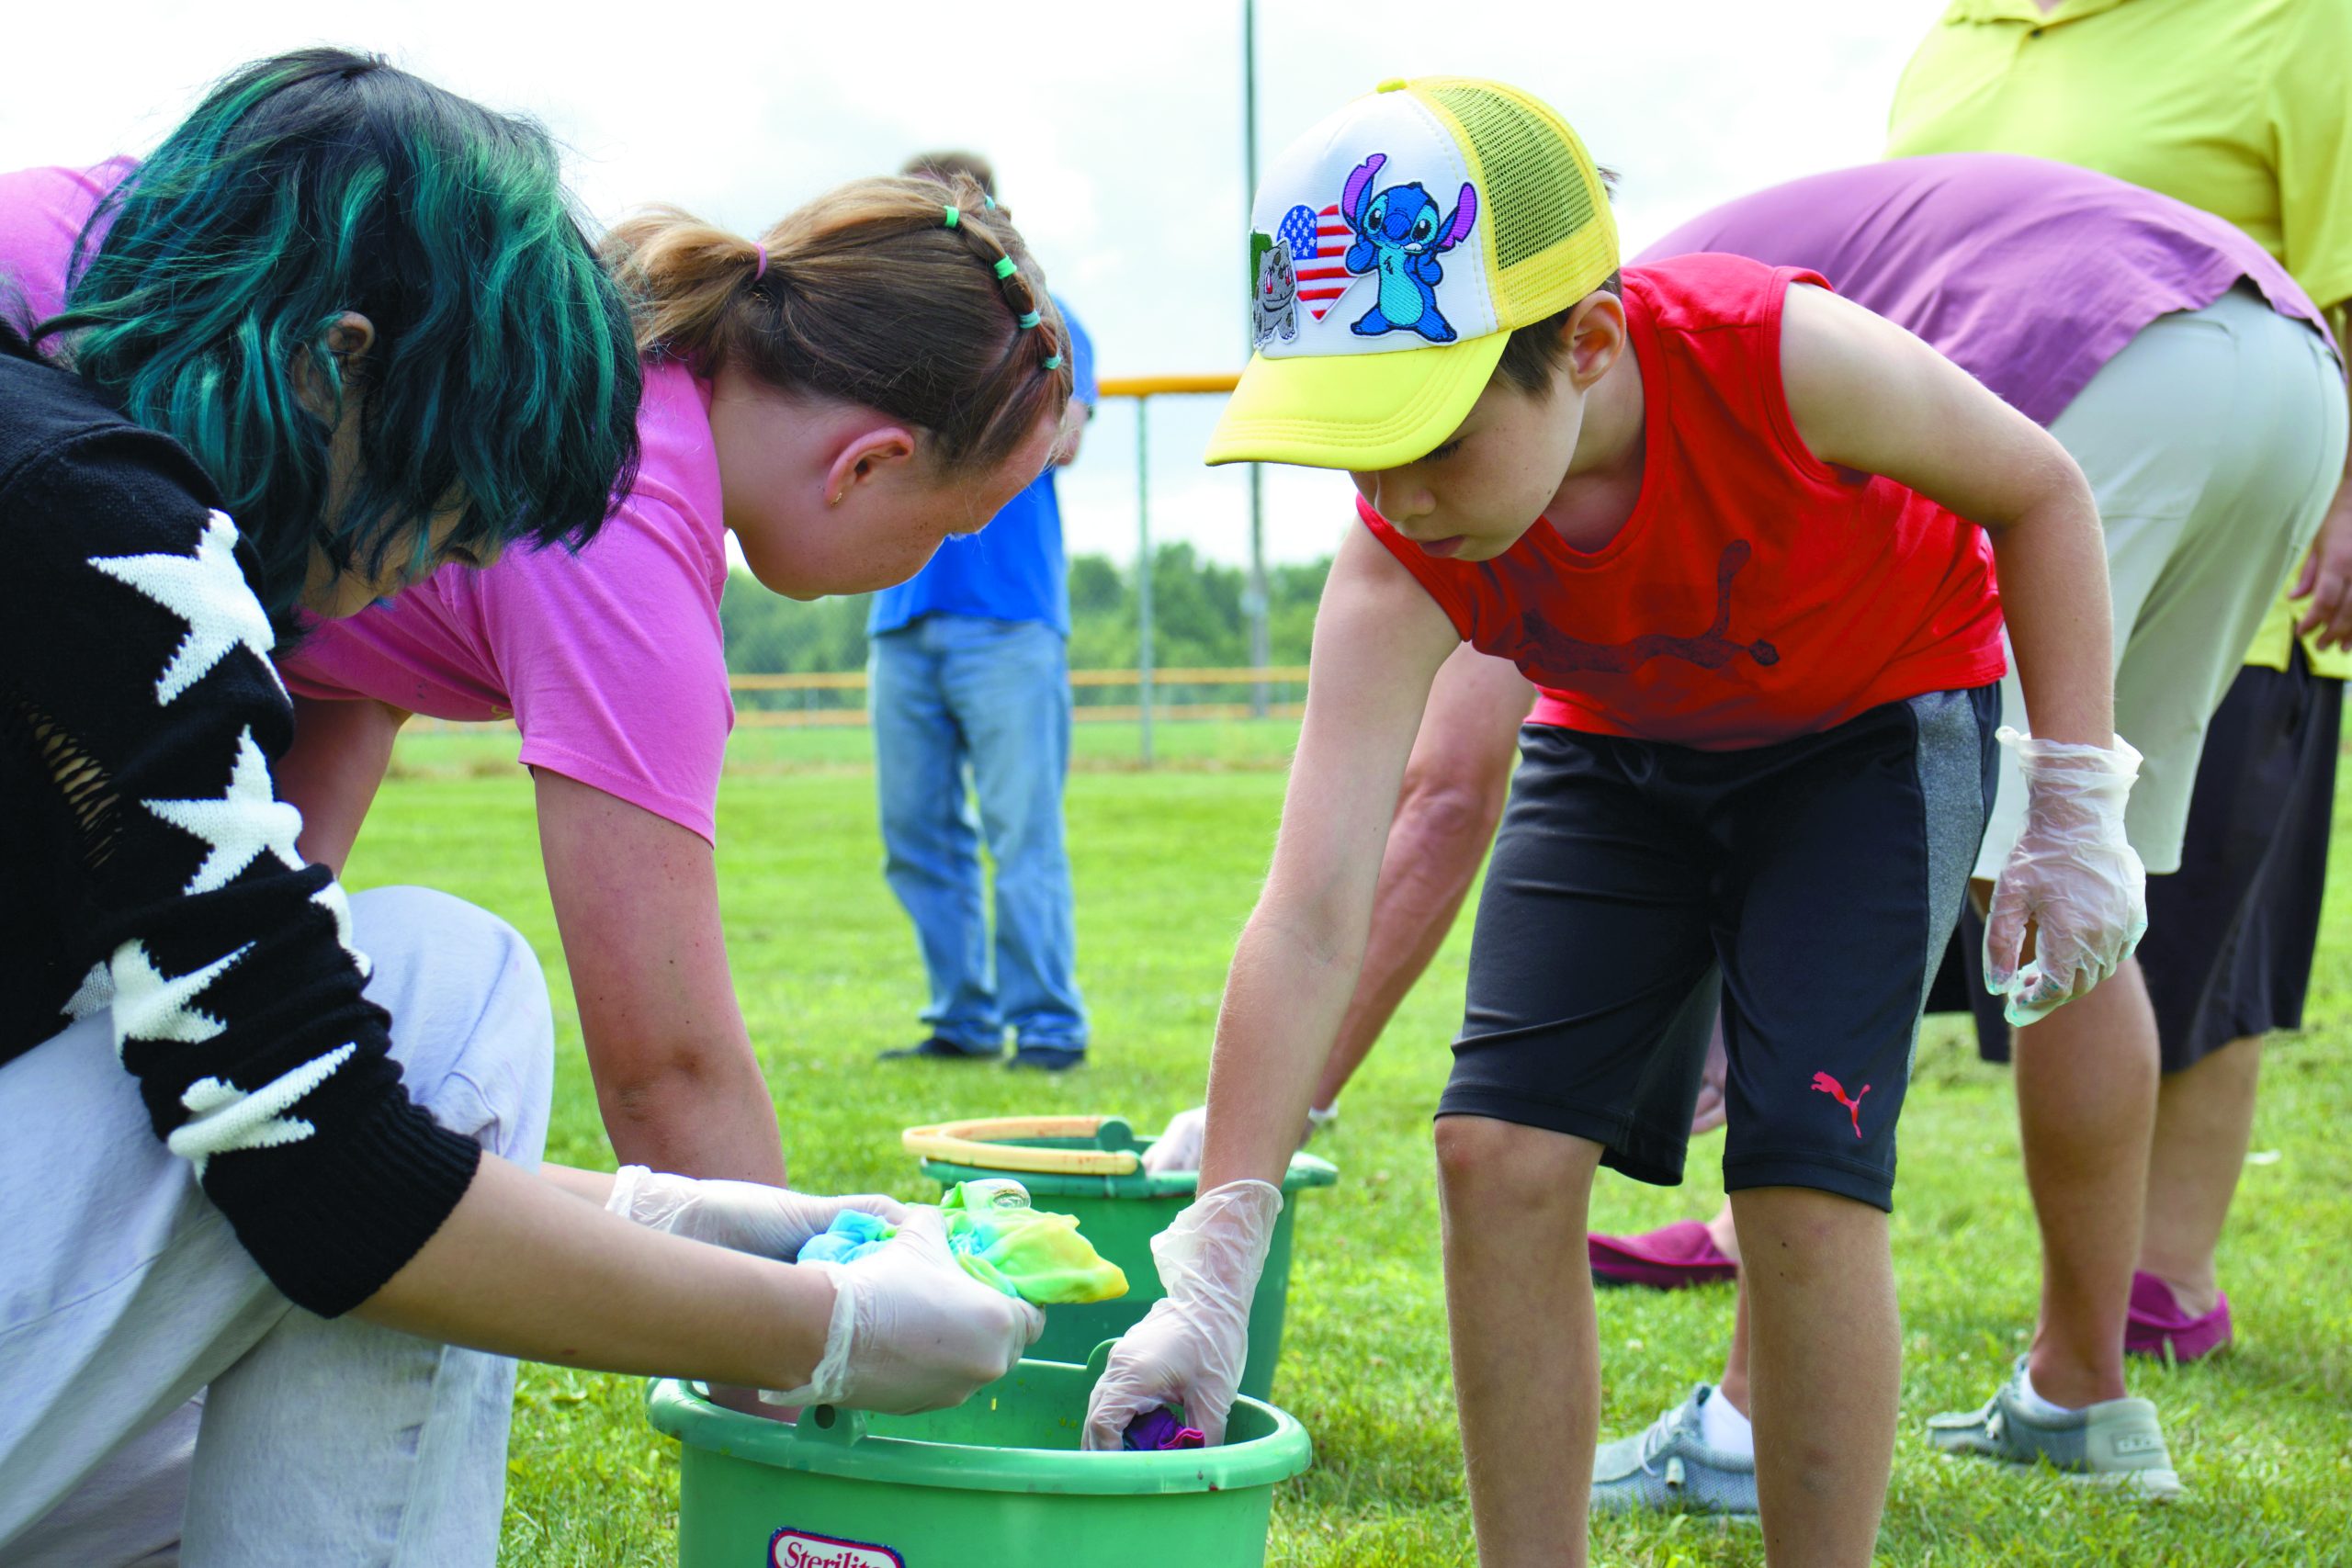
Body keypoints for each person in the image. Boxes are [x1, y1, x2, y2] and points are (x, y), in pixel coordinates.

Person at [1087, 75, 2143, 1568]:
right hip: (1627, 749)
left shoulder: (1780, 359)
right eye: (1357, 441)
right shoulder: (1403, 549)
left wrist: (2073, 795)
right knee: (1495, 1154)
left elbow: (2039, 491)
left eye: (1432, 433)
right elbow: (1316, 901)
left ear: (1584, 345)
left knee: (1801, 1167)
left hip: (1875, 729)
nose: (1396, 488)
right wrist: (1217, 1247)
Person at [0, 52, 1039, 1568]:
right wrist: (827, 1330)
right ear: (332, 368)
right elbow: (324, 1174)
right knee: (441, 988)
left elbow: (244, 1009)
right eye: (450, 510)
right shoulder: (126, 545)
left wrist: (681, 1221)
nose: (429, 576)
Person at [0, 134, 1076, 1188]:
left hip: (59, 302)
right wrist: (816, 1327)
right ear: (870, 464)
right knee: (451, 994)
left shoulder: (620, 391)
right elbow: (668, 1070)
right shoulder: (629, 535)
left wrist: (260, 947)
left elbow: (353, 666)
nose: (925, 561)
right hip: (37, 364)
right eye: (955, 525)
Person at [1560, 153, 2336, 1514]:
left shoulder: (1652, 338)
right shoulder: (1677, 298)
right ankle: (2080, 1393)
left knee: (1877, 840)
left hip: (2102, 374)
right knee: (2081, 873)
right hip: (2284, 382)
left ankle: (1753, 1422)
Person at [1878, 0, 2352, 1467]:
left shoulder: (2293, 20)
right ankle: (2077, 1371)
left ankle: (2139, 1301)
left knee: (2102, 885)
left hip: (2186, 484)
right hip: (1982, 500)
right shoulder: (1956, 37)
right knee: (2043, 878)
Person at [870, 150, 1097, 1072]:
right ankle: (961, 1018)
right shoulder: (879, 326)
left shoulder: (1048, 320)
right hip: (900, 610)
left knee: (1021, 833)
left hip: (1009, 615)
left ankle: (1046, 1025)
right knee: (917, 832)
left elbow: (1064, 439)